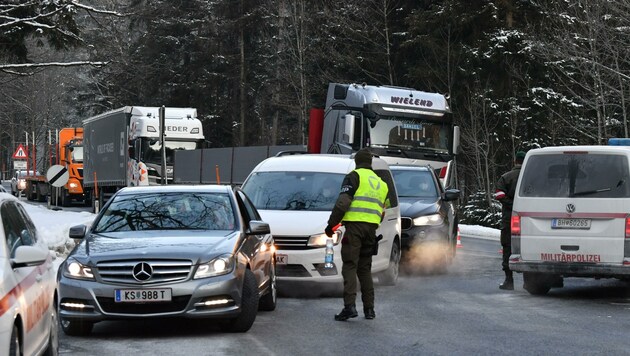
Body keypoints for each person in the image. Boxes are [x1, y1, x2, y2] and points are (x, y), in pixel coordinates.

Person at [324, 148, 389, 321]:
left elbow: (343, 203)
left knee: (350, 265)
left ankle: (349, 307)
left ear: (357, 162)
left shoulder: (354, 176)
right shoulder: (382, 183)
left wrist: (331, 225)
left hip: (354, 228)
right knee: (365, 269)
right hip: (371, 230)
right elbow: (383, 209)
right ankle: (369, 309)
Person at [494, 150, 525, 290]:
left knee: (507, 247)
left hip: (508, 218)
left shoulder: (506, 177)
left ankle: (509, 280)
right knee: (527, 248)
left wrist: (511, 204)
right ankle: (528, 281)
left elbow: (499, 194)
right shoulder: (530, 177)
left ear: (515, 161)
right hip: (527, 218)